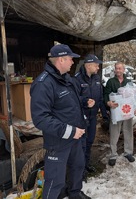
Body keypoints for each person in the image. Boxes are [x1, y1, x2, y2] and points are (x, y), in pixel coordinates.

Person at [30, 44, 91, 199]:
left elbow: (69, 103)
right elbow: (40, 118)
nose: (73, 62)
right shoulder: (43, 83)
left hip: (75, 138)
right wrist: (70, 131)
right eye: (70, 59)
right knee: (55, 180)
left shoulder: (67, 79)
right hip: (58, 141)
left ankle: (74, 194)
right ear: (61, 60)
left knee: (77, 168)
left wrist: (84, 103)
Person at [74, 54, 109, 176]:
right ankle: (80, 171)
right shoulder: (77, 79)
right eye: (96, 65)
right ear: (88, 65)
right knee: (81, 145)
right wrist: (85, 101)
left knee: (89, 142)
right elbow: (73, 99)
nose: (98, 67)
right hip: (81, 118)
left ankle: (86, 164)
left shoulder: (97, 79)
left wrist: (105, 115)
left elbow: (100, 99)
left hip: (93, 117)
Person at [104, 62, 136, 166]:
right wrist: (108, 102)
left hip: (127, 111)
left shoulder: (128, 82)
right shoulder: (111, 82)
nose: (118, 70)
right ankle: (113, 154)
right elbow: (106, 94)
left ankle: (128, 152)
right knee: (114, 132)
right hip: (116, 111)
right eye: (116, 68)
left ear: (124, 70)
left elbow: (134, 95)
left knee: (128, 130)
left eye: (120, 68)